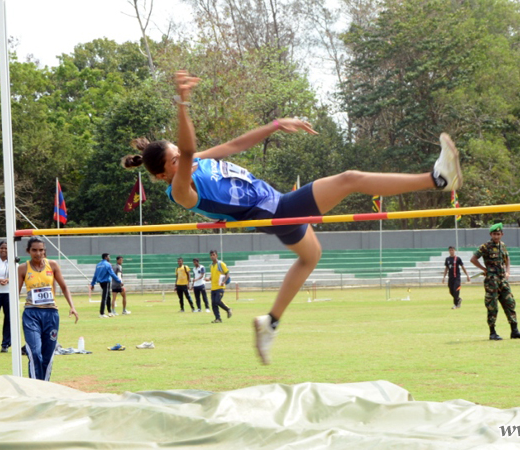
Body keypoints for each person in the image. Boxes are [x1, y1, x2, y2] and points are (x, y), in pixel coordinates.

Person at [122, 70, 462, 364]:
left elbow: (236, 145)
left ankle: (270, 322)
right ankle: (437, 179)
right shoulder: (182, 190)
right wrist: (183, 104)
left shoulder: (197, 160)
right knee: (350, 179)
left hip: (279, 204)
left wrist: (275, 125)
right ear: (163, 175)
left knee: (311, 256)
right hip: (278, 212)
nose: (183, 158)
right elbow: (192, 148)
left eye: (179, 153)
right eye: (175, 160)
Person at [17, 237, 79, 380]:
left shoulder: (52, 265)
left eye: (41, 250)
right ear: (28, 251)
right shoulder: (22, 268)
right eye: (34, 250)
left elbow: (64, 286)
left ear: (45, 251)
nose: (38, 253)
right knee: (35, 352)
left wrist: (72, 306)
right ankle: (34, 385)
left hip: (51, 314)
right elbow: (16, 291)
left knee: (48, 354)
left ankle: (45, 385)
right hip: (32, 313)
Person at [470, 223, 520, 341]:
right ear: (490, 234)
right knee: (492, 306)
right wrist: (484, 269)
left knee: (510, 303)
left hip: (502, 280)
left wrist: (508, 272)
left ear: (502, 234)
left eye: (498, 234)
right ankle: (492, 332)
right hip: (492, 281)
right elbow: (473, 259)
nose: (496, 236)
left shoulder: (502, 246)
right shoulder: (485, 246)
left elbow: (507, 259)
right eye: (494, 234)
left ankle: (514, 331)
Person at [90, 253, 122, 318]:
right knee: (105, 297)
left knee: (108, 297)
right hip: (106, 282)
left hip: (101, 282)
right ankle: (102, 313)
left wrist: (92, 284)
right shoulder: (107, 264)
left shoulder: (98, 265)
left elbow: (95, 275)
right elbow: (112, 274)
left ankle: (109, 312)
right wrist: (119, 281)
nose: (109, 258)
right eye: (109, 257)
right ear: (106, 257)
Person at [207, 250, 232, 323]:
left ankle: (228, 309)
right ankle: (218, 318)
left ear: (216, 255)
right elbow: (213, 275)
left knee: (217, 301)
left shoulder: (221, 264)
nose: (212, 256)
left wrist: (224, 282)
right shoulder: (211, 265)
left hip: (220, 287)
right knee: (213, 303)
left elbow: (227, 273)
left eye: (214, 255)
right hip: (213, 287)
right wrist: (209, 278)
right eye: (211, 255)